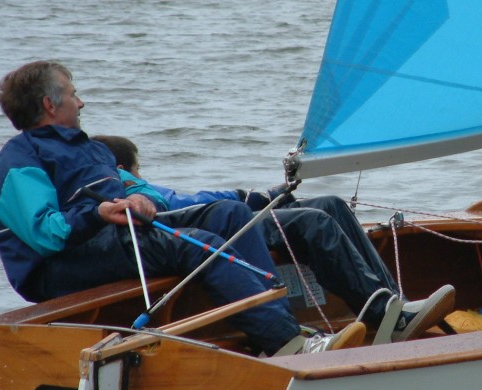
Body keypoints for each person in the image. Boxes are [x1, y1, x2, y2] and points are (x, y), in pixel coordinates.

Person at [0, 61, 364, 356]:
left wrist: (241, 197)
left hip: (113, 237)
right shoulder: (15, 165)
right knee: (196, 244)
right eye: (74, 93)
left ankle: (289, 327)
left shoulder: (89, 150)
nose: (81, 102)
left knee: (230, 217)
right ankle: (286, 344)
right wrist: (98, 214)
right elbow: (49, 234)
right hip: (60, 265)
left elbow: (149, 194)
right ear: (50, 103)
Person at [92, 134, 456, 344]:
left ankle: (394, 306)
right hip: (223, 226)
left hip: (226, 215)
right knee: (314, 222)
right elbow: (184, 205)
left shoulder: (129, 184)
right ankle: (381, 314)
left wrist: (261, 194)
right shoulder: (128, 187)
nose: (142, 174)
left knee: (331, 203)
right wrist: (253, 196)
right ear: (125, 169)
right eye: (139, 168)